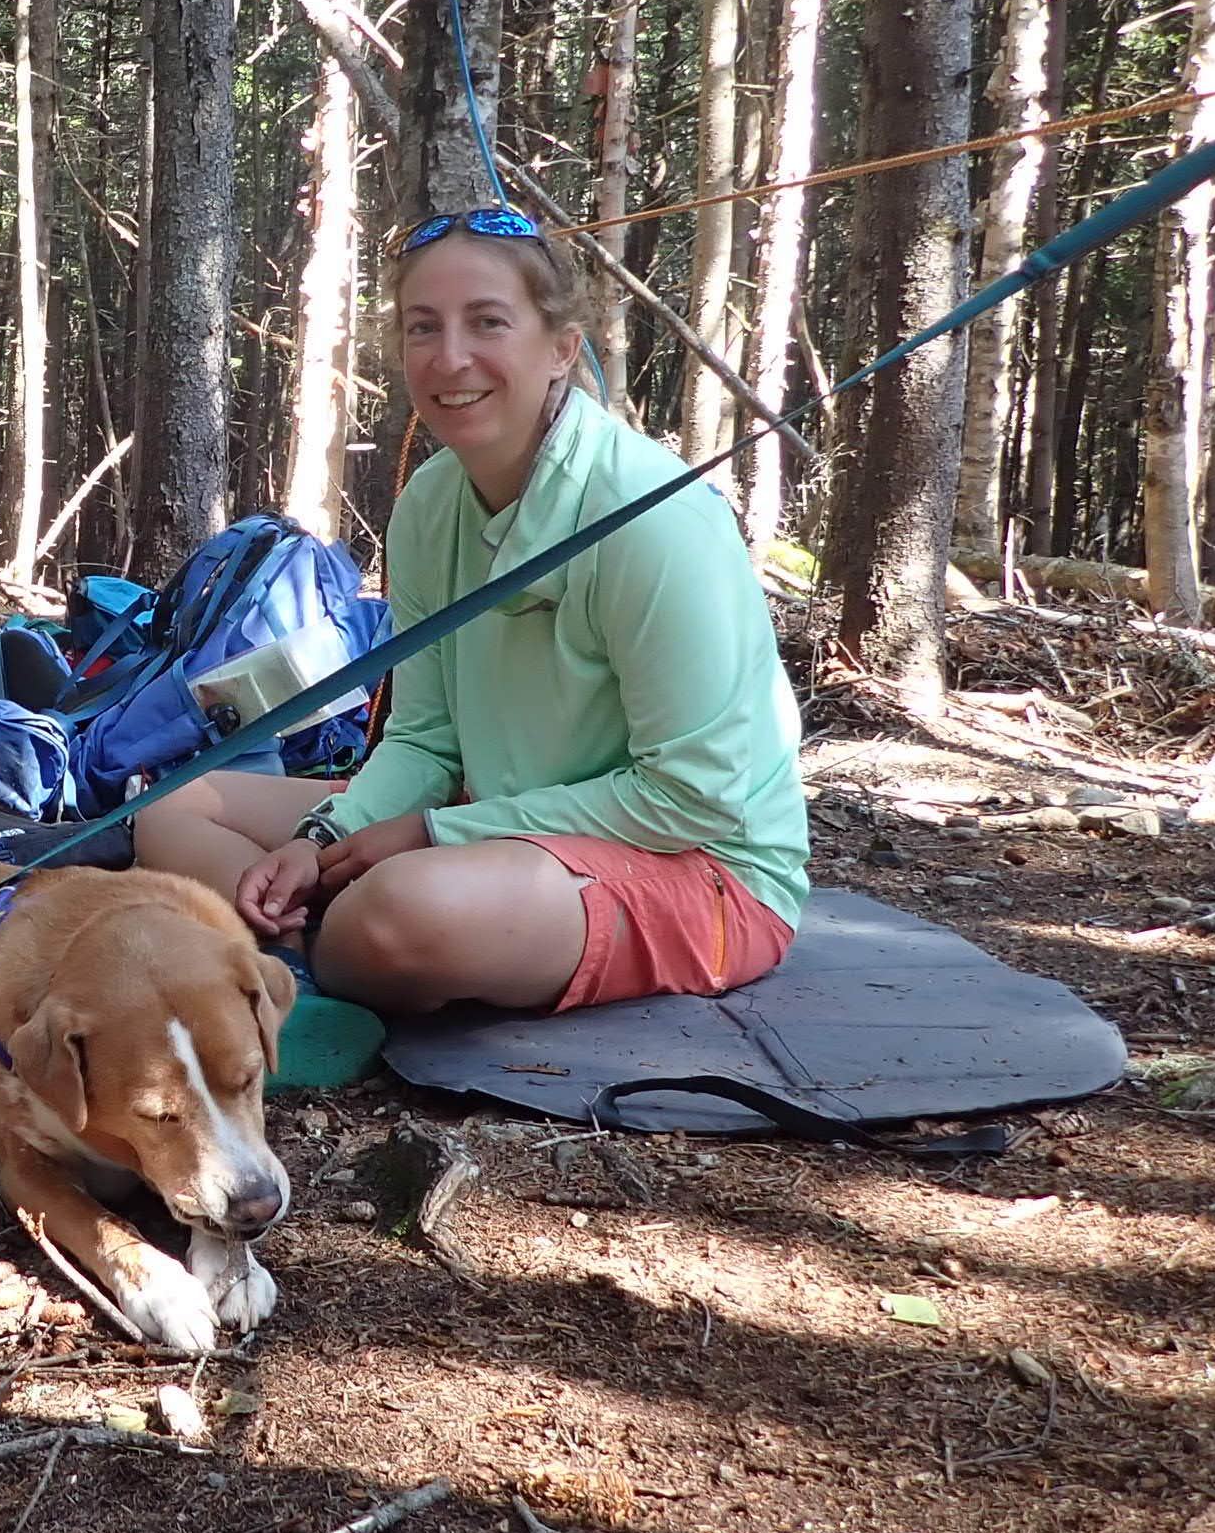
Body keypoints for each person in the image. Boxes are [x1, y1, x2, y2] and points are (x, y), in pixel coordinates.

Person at [130, 205, 809, 1015]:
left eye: (487, 322)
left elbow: (695, 797)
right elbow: (426, 735)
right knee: (174, 811)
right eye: (424, 328)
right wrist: (320, 843)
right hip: (489, 816)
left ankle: (295, 959)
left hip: (698, 868)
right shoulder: (431, 502)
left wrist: (428, 835)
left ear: (561, 347)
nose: (451, 359)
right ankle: (301, 955)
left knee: (403, 912)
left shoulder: (651, 519)